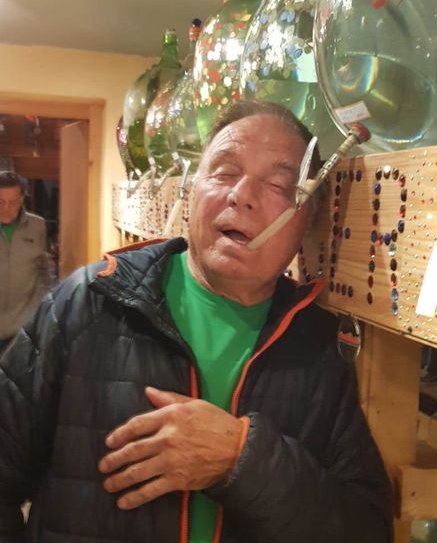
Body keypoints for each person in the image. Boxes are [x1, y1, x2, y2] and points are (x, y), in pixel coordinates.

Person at [0, 101, 393, 542]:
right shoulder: (88, 302)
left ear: (309, 220)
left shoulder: (320, 348)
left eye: (279, 185)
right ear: (192, 191)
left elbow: (366, 529)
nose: (242, 194)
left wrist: (241, 460)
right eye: (224, 172)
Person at [0, 170, 52, 356]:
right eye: (0, 202)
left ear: (22, 199)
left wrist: (39, 311)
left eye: (12, 202)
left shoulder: (37, 226)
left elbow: (44, 271)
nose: (6, 208)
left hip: (22, 329)